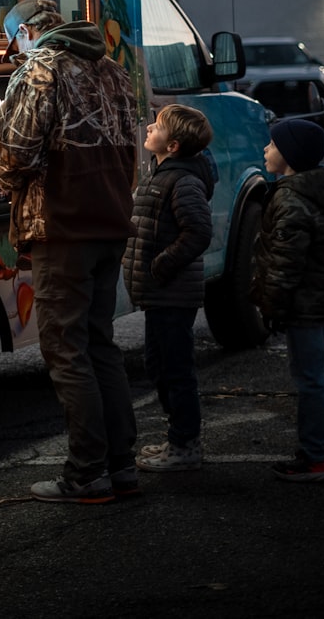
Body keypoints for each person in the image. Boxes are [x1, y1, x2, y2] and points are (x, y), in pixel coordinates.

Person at [0, 0, 139, 504]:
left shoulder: (41, 69)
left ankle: (85, 473)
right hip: (110, 226)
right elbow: (131, 150)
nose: (15, 56)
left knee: (66, 349)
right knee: (100, 344)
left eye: (14, 45)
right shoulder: (113, 70)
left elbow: (15, 152)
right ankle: (122, 466)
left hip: (61, 229)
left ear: (28, 34)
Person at [251, 118, 324, 483]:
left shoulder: (291, 200)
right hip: (321, 300)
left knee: (309, 380)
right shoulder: (315, 190)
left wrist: (272, 308)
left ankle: (316, 459)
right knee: (317, 378)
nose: (266, 150)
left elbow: (284, 266)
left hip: (304, 304)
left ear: (289, 156)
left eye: (272, 145)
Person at [123, 103, 214, 472]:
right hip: (158, 292)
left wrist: (161, 264)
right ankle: (178, 437)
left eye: (157, 126)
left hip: (171, 292)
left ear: (172, 145)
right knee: (158, 363)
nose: (148, 127)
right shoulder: (163, 173)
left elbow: (199, 233)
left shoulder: (183, 181)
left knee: (175, 368)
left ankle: (185, 444)